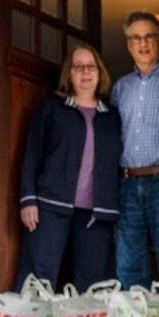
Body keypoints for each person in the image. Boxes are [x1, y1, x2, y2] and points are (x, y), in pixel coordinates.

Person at [16, 44, 122, 292]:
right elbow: (32, 155)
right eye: (78, 67)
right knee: (40, 277)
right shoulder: (52, 110)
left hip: (96, 214)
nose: (85, 73)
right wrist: (28, 200)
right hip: (50, 205)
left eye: (91, 67)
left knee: (93, 284)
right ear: (69, 73)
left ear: (100, 72)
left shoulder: (112, 117)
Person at [111, 11, 159, 288]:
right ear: (129, 45)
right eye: (136, 38)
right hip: (128, 183)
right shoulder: (121, 88)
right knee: (129, 265)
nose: (143, 43)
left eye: (149, 36)